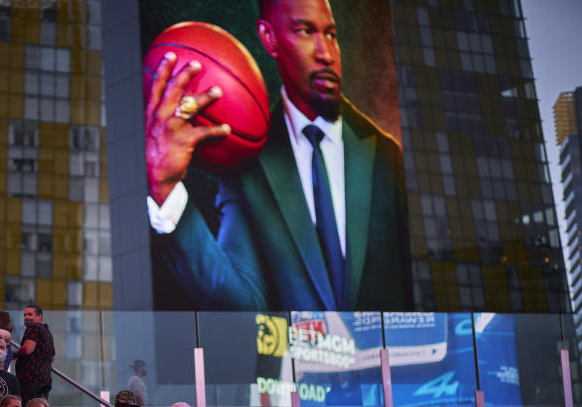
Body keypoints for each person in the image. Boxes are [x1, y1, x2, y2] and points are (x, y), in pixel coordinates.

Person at [144, 0, 410, 311]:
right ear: (269, 38)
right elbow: (239, 304)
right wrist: (166, 189)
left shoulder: (388, 156)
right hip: (298, 360)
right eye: (305, 31)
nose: (326, 54)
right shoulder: (249, 170)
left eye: (331, 34)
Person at [14, 304, 55, 405]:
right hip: (45, 378)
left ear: (39, 316)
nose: (26, 317)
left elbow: (27, 349)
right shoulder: (47, 332)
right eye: (24, 315)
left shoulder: (34, 327)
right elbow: (52, 357)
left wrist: (13, 354)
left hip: (30, 378)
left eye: (30, 314)